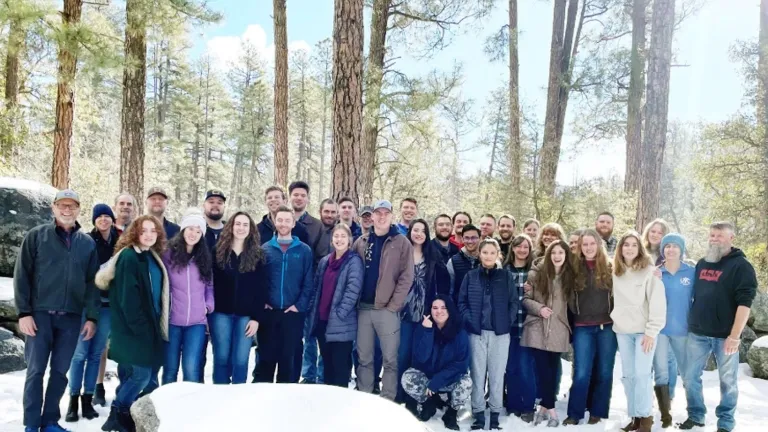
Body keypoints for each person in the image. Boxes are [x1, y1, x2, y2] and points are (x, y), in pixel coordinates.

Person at [15, 190, 100, 432]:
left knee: (61, 372)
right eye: (62, 205)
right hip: (39, 316)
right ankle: (31, 424)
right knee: (35, 372)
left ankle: (50, 421)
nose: (67, 209)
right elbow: (22, 276)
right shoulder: (36, 236)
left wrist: (92, 317)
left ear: (78, 210)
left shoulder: (87, 244)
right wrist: (24, 313)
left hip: (71, 319)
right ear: (53, 208)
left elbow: (92, 283)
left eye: (72, 206)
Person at [679, 222, 757, 432]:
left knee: (728, 381)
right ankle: (696, 416)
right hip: (698, 333)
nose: (714, 239)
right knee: (689, 376)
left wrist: (734, 336)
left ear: (731, 238)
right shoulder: (703, 263)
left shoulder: (741, 266)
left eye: (719, 235)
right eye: (712, 235)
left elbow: (745, 304)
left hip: (725, 336)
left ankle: (725, 422)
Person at [95, 215, 168, 432]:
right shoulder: (129, 257)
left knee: (129, 373)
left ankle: (122, 419)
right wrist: (142, 330)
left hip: (143, 326)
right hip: (133, 329)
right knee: (141, 375)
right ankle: (118, 412)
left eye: (153, 230)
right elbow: (129, 301)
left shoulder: (149, 256)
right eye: (144, 230)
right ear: (135, 233)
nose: (148, 234)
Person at [353, 199, 414, 401]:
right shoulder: (361, 242)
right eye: (377, 213)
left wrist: (393, 306)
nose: (381, 216)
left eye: (385, 213)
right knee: (365, 358)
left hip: (387, 310)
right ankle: (365, 397)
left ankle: (388, 399)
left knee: (390, 359)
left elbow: (407, 276)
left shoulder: (401, 242)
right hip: (363, 309)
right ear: (372, 217)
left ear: (391, 216)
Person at [458, 238, 518, 431]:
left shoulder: (506, 276)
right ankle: (477, 414)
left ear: (498, 254)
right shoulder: (471, 276)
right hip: (477, 333)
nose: (488, 256)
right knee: (477, 374)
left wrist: (506, 322)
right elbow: (462, 302)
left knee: (497, 375)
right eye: (485, 252)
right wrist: (469, 320)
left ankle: (494, 414)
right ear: (480, 254)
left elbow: (513, 303)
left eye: (493, 252)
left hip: (500, 334)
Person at [65, 204, 117, 423]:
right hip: (87, 305)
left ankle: (88, 398)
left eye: (107, 216)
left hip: (108, 306)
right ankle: (73, 399)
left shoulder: (119, 242)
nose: (104, 220)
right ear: (94, 220)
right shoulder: (85, 241)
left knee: (97, 353)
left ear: (112, 220)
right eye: (99, 217)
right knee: (79, 354)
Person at [611, 231, 666, 432]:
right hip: (622, 331)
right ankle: (634, 415)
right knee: (629, 375)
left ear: (639, 248)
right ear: (620, 248)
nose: (630, 248)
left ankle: (646, 418)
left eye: (634, 245)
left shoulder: (650, 271)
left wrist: (652, 331)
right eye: (626, 244)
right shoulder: (614, 271)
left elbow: (658, 303)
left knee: (642, 374)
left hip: (644, 332)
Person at [563, 229, 617, 426]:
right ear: (580, 247)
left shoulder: (611, 267)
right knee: (582, 372)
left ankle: (597, 411)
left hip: (607, 327)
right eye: (584, 244)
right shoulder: (573, 269)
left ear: (598, 244)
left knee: (604, 371)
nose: (588, 248)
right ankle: (574, 413)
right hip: (582, 326)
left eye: (592, 243)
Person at [259, 205, 314, 383]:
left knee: (288, 362)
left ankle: (288, 402)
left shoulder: (304, 250)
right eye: (280, 220)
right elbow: (259, 279)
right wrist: (263, 301)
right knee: (266, 359)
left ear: (293, 223)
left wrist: (299, 306)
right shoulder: (265, 249)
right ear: (275, 222)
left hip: (293, 313)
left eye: (287, 220)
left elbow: (308, 281)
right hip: (269, 312)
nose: (283, 223)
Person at [399, 219, 451, 406]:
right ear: (410, 232)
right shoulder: (402, 253)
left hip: (425, 315)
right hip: (403, 313)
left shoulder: (433, 255)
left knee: (421, 355)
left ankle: (421, 396)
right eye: (415, 230)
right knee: (403, 354)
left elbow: (444, 281)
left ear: (427, 234)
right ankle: (401, 394)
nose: (419, 233)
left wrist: (437, 306)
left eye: (422, 230)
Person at [522, 240, 574, 427]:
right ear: (549, 254)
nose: (557, 256)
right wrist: (539, 308)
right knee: (543, 369)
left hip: (559, 328)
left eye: (561, 253)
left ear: (566, 255)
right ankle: (552, 411)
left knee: (552, 370)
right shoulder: (536, 275)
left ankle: (544, 406)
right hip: (537, 327)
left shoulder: (571, 277)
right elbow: (526, 299)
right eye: (554, 253)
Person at [210, 212, 266, 384]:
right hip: (220, 314)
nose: (241, 228)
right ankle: (219, 396)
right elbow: (210, 284)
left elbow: (261, 289)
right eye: (238, 224)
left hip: (246, 316)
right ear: (231, 227)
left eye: (245, 225)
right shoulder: (218, 252)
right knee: (221, 358)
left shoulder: (257, 254)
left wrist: (256, 318)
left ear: (251, 230)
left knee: (241, 360)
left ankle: (237, 399)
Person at [401, 295, 471, 430]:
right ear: (430, 310)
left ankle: (451, 413)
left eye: (444, 308)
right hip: (428, 377)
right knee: (407, 377)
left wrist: (437, 381)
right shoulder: (423, 328)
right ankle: (428, 403)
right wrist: (427, 331)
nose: (439, 311)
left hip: (449, 378)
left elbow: (461, 364)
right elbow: (420, 358)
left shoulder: (459, 332)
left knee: (466, 383)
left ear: (450, 310)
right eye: (435, 308)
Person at [306, 224, 364, 387]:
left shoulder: (354, 262)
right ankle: (330, 403)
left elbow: (353, 290)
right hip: (323, 322)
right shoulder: (325, 261)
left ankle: (341, 404)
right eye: (336, 236)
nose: (339, 240)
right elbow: (317, 288)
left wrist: (339, 313)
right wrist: (313, 311)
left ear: (349, 241)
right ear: (332, 240)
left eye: (343, 236)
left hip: (341, 324)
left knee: (340, 368)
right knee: (327, 367)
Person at [161, 211, 214, 384]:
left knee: (191, 368)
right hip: (172, 321)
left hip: (196, 323)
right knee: (170, 369)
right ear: (183, 230)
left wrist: (208, 304)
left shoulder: (203, 257)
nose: (193, 234)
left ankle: (189, 408)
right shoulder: (169, 255)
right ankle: (166, 407)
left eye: (198, 231)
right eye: (190, 229)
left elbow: (209, 285)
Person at [652, 233, 695, 428]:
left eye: (675, 246)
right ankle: (665, 414)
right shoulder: (656, 273)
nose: (671, 249)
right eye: (667, 246)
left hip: (684, 330)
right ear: (662, 250)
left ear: (681, 249)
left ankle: (693, 412)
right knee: (661, 372)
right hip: (660, 330)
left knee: (687, 373)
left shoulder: (691, 273)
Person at [300, 198, 338, 384]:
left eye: (333, 212)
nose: (329, 215)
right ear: (320, 211)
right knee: (309, 336)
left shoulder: (341, 232)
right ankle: (308, 374)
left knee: (326, 337)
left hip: (332, 294)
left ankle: (323, 375)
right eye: (326, 212)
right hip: (313, 290)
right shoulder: (314, 229)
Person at [502, 234, 536, 423]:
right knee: (511, 368)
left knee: (525, 368)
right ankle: (513, 405)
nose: (522, 250)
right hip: (508, 327)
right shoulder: (505, 270)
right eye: (519, 247)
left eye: (526, 247)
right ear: (513, 249)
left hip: (528, 327)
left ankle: (528, 406)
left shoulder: (534, 271)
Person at [446, 224, 481, 307]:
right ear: (462, 239)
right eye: (467, 238)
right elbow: (450, 291)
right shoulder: (453, 262)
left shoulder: (487, 260)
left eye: (474, 238)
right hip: (460, 310)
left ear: (480, 238)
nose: (470, 241)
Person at [290, 180, 323, 254]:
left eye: (303, 195)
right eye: (296, 195)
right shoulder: (282, 222)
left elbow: (320, 255)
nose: (299, 198)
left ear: (308, 199)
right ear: (289, 197)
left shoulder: (318, 226)